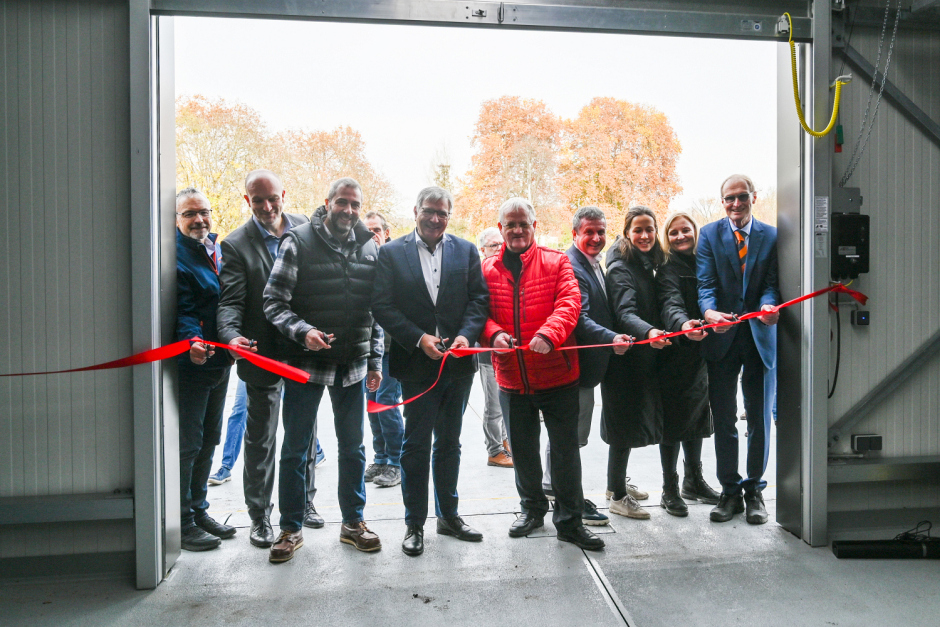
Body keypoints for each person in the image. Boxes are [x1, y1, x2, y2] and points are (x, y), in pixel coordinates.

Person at [263, 177, 383, 562]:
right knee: (296, 450)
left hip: (352, 366)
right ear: (327, 202)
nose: (348, 210)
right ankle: (290, 528)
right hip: (305, 365)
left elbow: (376, 312)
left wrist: (375, 360)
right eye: (342, 202)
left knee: (354, 448)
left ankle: (354, 523)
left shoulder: (370, 246)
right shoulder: (297, 242)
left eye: (355, 204)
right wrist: (304, 332)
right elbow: (273, 302)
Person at [372, 186, 489, 557]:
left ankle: (449, 516)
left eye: (442, 212)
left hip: (457, 366)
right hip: (415, 364)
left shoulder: (466, 250)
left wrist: (467, 335)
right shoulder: (391, 253)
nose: (435, 218)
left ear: (449, 216)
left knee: (450, 443)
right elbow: (382, 305)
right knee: (416, 445)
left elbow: (478, 300)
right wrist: (418, 337)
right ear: (415, 210)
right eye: (429, 211)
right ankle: (413, 524)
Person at [481, 197, 604, 551]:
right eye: (510, 224)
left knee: (565, 453)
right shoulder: (487, 270)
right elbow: (479, 313)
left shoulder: (557, 262)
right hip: (511, 380)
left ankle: (569, 521)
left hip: (557, 378)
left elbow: (570, 303)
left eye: (523, 223)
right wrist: (494, 334)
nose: (517, 230)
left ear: (534, 227)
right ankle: (531, 510)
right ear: (501, 228)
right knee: (522, 451)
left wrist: (550, 333)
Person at [216, 170, 321, 550]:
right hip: (260, 355)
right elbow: (230, 303)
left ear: (283, 195)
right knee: (260, 439)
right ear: (247, 201)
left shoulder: (305, 227)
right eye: (257, 200)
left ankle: (304, 501)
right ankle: (259, 516)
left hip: (302, 352)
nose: (266, 206)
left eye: (272, 198)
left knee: (303, 433)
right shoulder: (234, 244)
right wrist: (231, 336)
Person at [697, 174, 780, 525]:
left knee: (759, 418)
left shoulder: (772, 235)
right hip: (723, 337)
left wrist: (768, 306)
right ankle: (729, 491)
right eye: (728, 198)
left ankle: (754, 491)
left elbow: (773, 284)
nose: (735, 204)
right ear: (722, 202)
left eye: (741, 197)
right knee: (726, 418)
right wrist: (709, 312)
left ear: (753, 197)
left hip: (759, 337)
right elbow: (706, 285)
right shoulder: (709, 235)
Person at [549, 207, 633, 526]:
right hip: (576, 368)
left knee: (570, 437)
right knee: (571, 439)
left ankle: (559, 491)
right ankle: (569, 499)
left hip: (589, 367)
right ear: (575, 234)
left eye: (601, 232)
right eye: (589, 232)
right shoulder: (572, 266)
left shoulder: (594, 263)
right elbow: (579, 319)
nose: (596, 238)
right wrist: (613, 338)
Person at [602, 206, 672, 521]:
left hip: (640, 356)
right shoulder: (621, 267)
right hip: (624, 360)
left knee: (626, 425)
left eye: (650, 229)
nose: (645, 236)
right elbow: (624, 313)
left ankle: (614, 484)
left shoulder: (645, 262)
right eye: (638, 230)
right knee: (622, 428)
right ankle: (617, 496)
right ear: (628, 232)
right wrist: (649, 330)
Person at [174, 187, 234, 551]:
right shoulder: (176, 257)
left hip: (221, 363)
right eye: (189, 214)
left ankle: (199, 510)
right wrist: (192, 341)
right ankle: (181, 522)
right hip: (195, 364)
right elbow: (183, 308)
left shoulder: (215, 249)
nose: (199, 219)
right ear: (175, 220)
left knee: (210, 439)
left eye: (204, 212)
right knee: (190, 444)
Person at [655, 212, 721, 516]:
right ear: (666, 238)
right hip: (675, 353)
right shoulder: (667, 268)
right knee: (673, 423)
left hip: (702, 354)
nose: (681, 236)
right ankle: (670, 488)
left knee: (697, 418)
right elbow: (670, 303)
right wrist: (684, 325)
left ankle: (693, 480)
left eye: (686, 230)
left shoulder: (705, 260)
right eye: (674, 232)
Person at [208, 380, 326, 486]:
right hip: (251, 361)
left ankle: (316, 449)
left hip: (283, 360)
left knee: (293, 410)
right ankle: (226, 466)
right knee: (239, 411)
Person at [362, 211, 405, 487]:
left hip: (391, 349)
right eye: (366, 231)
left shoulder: (395, 261)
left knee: (387, 403)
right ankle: (380, 458)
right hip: (365, 351)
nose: (371, 235)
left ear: (386, 232)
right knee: (372, 405)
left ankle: (396, 462)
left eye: (376, 230)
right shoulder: (360, 261)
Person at [476, 227, 513, 469]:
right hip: (488, 353)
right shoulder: (479, 274)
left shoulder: (506, 270)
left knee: (505, 402)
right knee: (493, 405)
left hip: (508, 351)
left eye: (501, 244)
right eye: (493, 245)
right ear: (482, 250)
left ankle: (505, 441)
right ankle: (494, 450)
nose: (499, 249)